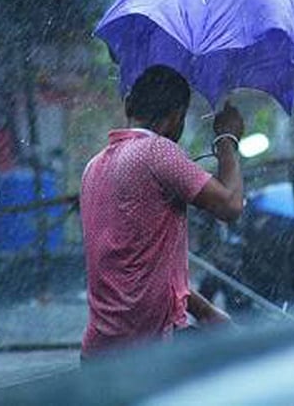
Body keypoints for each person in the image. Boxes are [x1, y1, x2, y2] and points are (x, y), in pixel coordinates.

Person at [79, 65, 245, 358]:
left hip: (99, 354)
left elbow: (140, 269)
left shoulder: (94, 167)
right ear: (177, 118)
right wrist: (227, 140)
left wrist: (205, 312)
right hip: (153, 351)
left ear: (129, 104)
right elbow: (230, 205)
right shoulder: (157, 151)